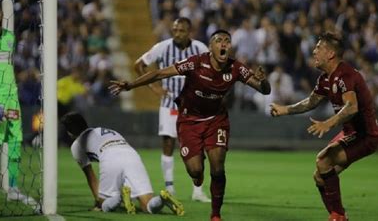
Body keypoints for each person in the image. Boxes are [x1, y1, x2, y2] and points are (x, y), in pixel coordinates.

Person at [109, 29, 271, 221]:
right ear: (210, 47)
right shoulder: (196, 62)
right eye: (219, 40)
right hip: (189, 121)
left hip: (216, 121)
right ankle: (198, 173)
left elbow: (264, 90)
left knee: (218, 167)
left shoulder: (236, 68)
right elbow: (160, 73)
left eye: (227, 41)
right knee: (195, 171)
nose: (224, 44)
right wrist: (130, 85)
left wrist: (264, 80)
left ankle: (215, 214)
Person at [270, 32, 378, 221]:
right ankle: (338, 216)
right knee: (320, 176)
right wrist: (285, 110)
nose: (314, 51)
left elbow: (352, 106)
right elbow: (311, 102)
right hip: (350, 133)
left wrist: (328, 123)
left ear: (330, 54)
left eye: (318, 47)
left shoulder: (344, 75)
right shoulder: (325, 78)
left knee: (323, 161)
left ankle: (338, 216)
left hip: (366, 135)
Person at [134, 17, 210, 202]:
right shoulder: (163, 47)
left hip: (194, 107)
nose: (177, 33)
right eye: (174, 30)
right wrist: (154, 87)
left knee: (197, 147)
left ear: (189, 31)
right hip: (170, 105)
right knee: (168, 144)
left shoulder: (200, 48)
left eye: (181, 30)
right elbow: (139, 65)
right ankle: (170, 188)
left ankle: (197, 191)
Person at [60, 112, 184, 215]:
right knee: (147, 206)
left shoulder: (76, 146)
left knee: (104, 205)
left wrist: (99, 202)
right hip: (132, 154)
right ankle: (162, 199)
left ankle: (120, 197)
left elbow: (90, 176)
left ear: (69, 131)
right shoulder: (104, 129)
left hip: (110, 157)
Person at [0, 5, 38, 209]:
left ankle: (12, 187)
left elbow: (13, 65)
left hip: (11, 98)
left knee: (15, 142)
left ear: (1, 15)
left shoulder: (10, 37)